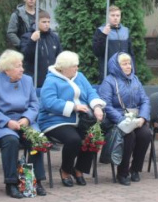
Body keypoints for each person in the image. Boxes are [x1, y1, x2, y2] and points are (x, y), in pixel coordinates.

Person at [0, 50, 47, 198]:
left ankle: (34, 182)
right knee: (11, 141)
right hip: (0, 123)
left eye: (22, 65)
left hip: (24, 120)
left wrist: (27, 118)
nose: (22, 69)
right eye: (18, 66)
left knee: (36, 139)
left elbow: (34, 104)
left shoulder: (27, 80)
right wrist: (7, 122)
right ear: (7, 69)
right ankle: (11, 183)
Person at [37, 51, 106, 187]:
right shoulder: (51, 80)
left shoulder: (79, 76)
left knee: (94, 137)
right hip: (55, 120)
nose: (77, 68)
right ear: (64, 67)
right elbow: (48, 102)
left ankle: (79, 169)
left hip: (79, 120)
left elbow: (91, 92)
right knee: (73, 140)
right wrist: (74, 107)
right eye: (74, 66)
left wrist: (97, 106)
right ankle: (65, 170)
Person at [98, 52, 152, 186]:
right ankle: (122, 172)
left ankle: (135, 169)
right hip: (116, 120)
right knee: (129, 135)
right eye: (124, 64)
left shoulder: (135, 80)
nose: (128, 66)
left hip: (135, 118)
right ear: (117, 66)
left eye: (129, 63)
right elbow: (106, 105)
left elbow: (144, 100)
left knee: (145, 134)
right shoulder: (109, 81)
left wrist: (143, 118)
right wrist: (122, 120)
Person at [20, 10, 62, 87]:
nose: (47, 24)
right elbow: (25, 56)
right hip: (35, 80)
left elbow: (59, 56)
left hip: (52, 79)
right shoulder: (27, 37)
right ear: (36, 22)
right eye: (44, 22)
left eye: (48, 22)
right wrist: (32, 41)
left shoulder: (54, 37)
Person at [92, 5, 134, 78]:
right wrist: (104, 35)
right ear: (107, 17)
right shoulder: (101, 30)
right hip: (108, 73)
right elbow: (97, 52)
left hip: (124, 72)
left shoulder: (125, 31)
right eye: (112, 15)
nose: (115, 18)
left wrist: (133, 69)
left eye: (118, 15)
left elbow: (130, 53)